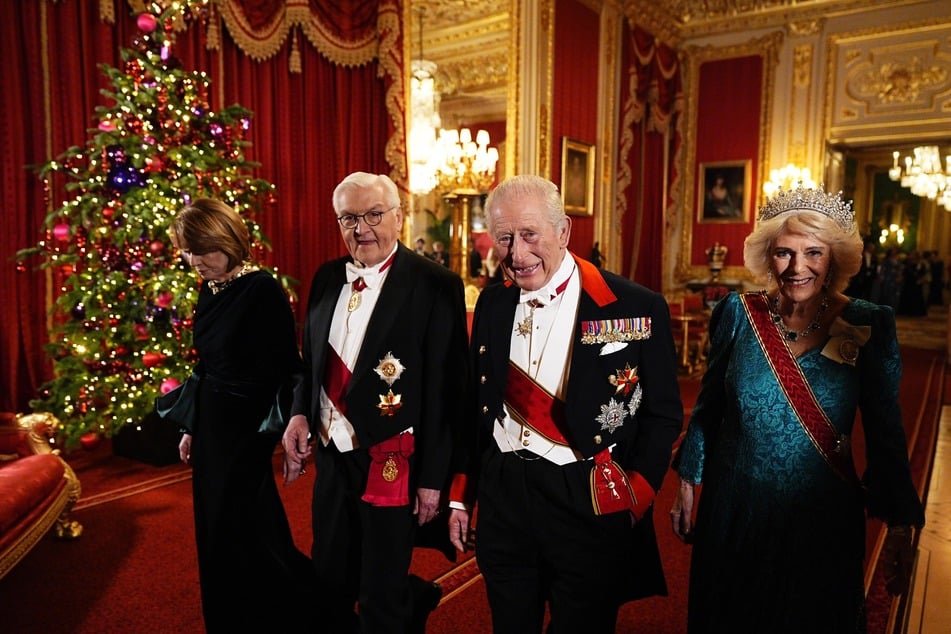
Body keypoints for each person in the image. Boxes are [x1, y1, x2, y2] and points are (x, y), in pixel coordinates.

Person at [670, 184, 925, 633]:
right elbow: (709, 406)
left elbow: (887, 429)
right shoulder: (738, 313)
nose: (798, 267)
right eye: (785, 253)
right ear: (767, 256)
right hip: (735, 510)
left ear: (835, 258)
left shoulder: (866, 323)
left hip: (820, 513)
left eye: (814, 253)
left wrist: (902, 522)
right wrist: (689, 479)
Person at [447, 175, 683, 633]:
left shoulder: (633, 305)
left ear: (564, 232)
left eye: (530, 234)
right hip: (504, 496)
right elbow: (474, 407)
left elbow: (664, 412)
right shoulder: (493, 304)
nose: (517, 254)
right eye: (504, 238)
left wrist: (637, 491)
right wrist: (462, 495)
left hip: (586, 495)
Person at [282, 172, 468, 633]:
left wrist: (433, 481)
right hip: (331, 457)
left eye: (373, 215)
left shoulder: (435, 284)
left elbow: (447, 393)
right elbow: (310, 363)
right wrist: (300, 412)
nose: (360, 228)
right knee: (330, 575)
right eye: (348, 218)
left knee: (381, 591)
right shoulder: (327, 277)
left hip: (392, 461)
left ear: (399, 218)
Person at [169, 198, 315, 632]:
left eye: (203, 250)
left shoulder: (262, 290)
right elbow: (207, 366)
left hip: (246, 434)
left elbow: (288, 369)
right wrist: (191, 425)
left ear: (228, 242)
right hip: (213, 427)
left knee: (251, 533)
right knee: (215, 531)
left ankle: (294, 615)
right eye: (188, 251)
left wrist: (291, 442)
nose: (195, 261)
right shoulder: (208, 288)